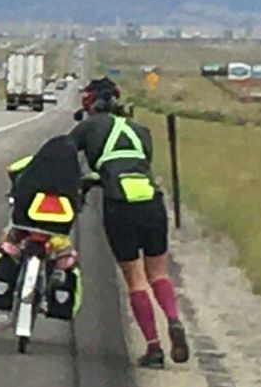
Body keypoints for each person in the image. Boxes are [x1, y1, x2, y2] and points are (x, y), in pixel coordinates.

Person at [70, 97, 188, 367]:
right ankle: (173, 318)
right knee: (158, 272)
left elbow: (66, 153)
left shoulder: (90, 126)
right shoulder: (140, 130)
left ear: (93, 109)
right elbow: (140, 163)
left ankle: (153, 347)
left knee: (135, 278)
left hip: (120, 204)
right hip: (151, 201)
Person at [0, 134, 83, 273]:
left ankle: (5, 266)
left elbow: (12, 169)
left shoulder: (36, 161)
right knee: (64, 250)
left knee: (10, 239)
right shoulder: (73, 171)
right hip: (57, 226)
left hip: (28, 220)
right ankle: (64, 267)